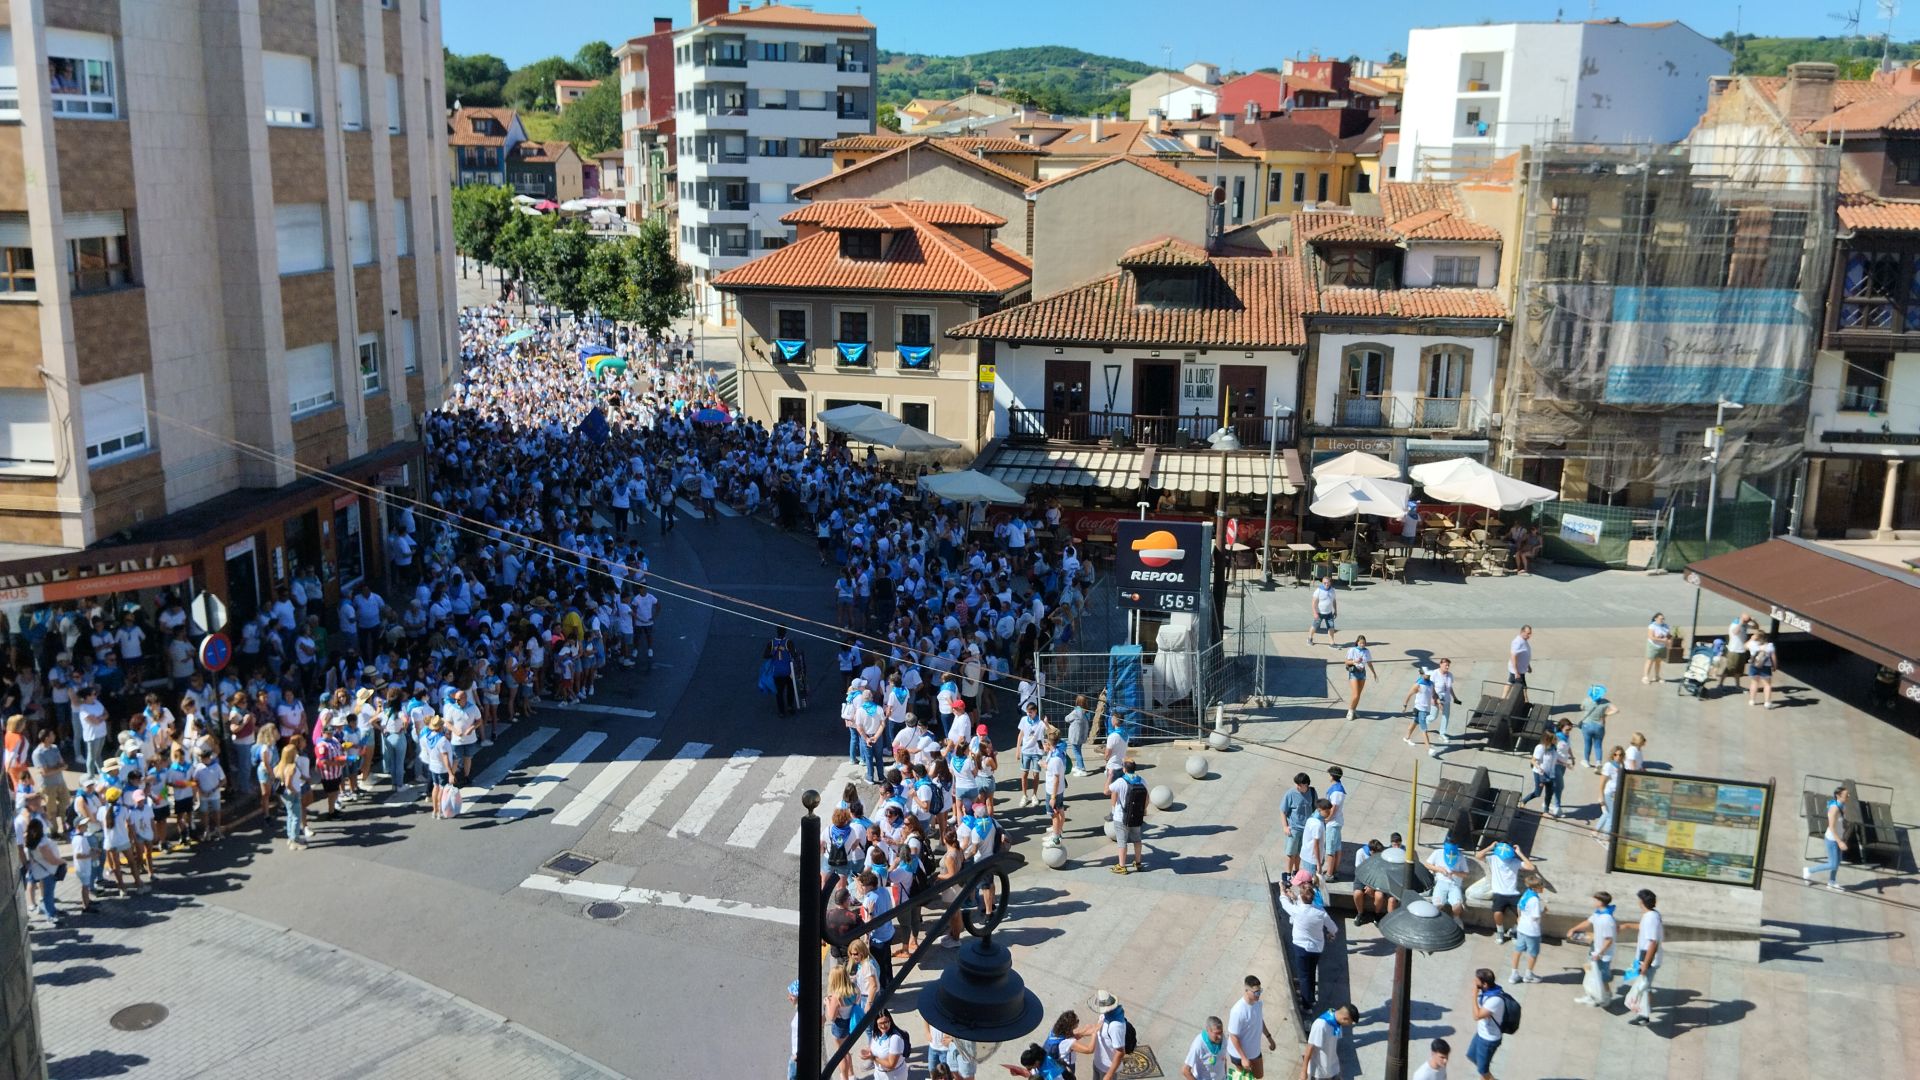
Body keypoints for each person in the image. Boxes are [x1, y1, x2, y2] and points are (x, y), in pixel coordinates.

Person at [1278, 876, 1339, 1014]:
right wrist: (1330, 934)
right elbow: (1334, 928)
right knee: (1311, 972)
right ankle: (1310, 997)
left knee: (1304, 976)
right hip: (1317, 948)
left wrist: (1282, 890)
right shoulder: (1320, 912)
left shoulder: (1297, 910)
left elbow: (1284, 903)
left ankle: (1307, 1005)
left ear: (1301, 896)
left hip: (1301, 947)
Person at [1475, 841, 1535, 944]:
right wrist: (1490, 846)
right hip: (1499, 893)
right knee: (1497, 913)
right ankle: (1500, 932)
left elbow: (1531, 867)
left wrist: (1519, 853)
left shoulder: (1515, 861)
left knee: (1524, 915)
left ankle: (1514, 931)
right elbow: (1478, 856)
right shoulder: (1493, 858)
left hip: (1513, 894)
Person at [1568, 892, 1619, 1006]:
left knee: (1602, 978)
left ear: (1600, 902)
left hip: (1603, 955)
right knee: (1591, 973)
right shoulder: (1598, 914)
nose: (1593, 902)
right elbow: (1587, 922)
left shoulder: (1606, 919)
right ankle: (1592, 995)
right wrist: (1573, 929)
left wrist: (1600, 953)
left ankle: (1606, 996)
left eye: (1595, 900)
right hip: (1596, 950)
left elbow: (1609, 940)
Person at [1621, 889, 1663, 1025]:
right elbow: (1644, 927)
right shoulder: (1652, 915)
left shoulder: (1651, 918)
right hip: (1645, 956)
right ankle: (1644, 1012)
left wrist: (1645, 964)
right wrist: (1627, 925)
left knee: (1644, 987)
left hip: (1647, 958)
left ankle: (1644, 1017)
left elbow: (1653, 942)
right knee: (1644, 986)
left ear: (1642, 902)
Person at [1225, 976, 1276, 1079]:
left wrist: (1269, 1037)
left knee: (1259, 1075)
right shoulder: (1238, 1011)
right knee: (1246, 1077)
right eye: (1256, 992)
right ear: (1246, 990)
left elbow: (1259, 1020)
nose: (1259, 994)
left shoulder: (1258, 1003)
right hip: (1238, 1054)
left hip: (1254, 1050)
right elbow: (1233, 1036)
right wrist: (1243, 1058)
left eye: (1260, 991)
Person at [1803, 785, 1850, 891]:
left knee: (1837, 862)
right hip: (1832, 840)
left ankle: (1832, 882)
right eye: (1846, 795)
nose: (1848, 796)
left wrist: (1845, 825)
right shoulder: (1834, 809)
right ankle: (1809, 870)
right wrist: (1840, 842)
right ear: (1838, 796)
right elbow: (1832, 828)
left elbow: (1841, 820)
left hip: (1839, 837)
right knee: (1833, 864)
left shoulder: (1843, 805)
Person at [1507, 872, 1547, 984]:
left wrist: (1519, 917)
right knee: (1533, 953)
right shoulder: (1535, 900)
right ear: (1535, 887)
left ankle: (1514, 975)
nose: (1543, 887)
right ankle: (1528, 975)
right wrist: (1544, 911)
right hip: (1532, 931)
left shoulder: (1527, 893)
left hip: (1521, 928)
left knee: (1517, 950)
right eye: (1541, 885)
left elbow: (1519, 906)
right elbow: (1535, 917)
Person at [1465, 969, 1505, 1080]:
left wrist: (1474, 996)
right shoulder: (1489, 991)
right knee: (1472, 1056)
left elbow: (1476, 1016)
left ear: (1485, 984)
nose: (1474, 982)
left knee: (1483, 1070)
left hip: (1488, 1040)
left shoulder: (1494, 1000)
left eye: (1476, 980)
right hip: (1481, 1034)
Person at [1109, 760, 1148, 874]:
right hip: (1136, 815)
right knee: (1137, 839)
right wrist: (1143, 810)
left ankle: (1122, 866)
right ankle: (1138, 862)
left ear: (1124, 769)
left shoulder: (1121, 781)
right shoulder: (1141, 780)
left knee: (1122, 841)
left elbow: (1107, 790)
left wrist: (1110, 776)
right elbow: (1147, 797)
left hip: (1121, 816)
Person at [1302, 1003, 1357, 1080]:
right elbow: (1309, 1049)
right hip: (1319, 1073)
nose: (1349, 1025)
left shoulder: (1337, 1021)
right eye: (1350, 1022)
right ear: (1345, 1018)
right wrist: (1303, 1073)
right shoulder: (1320, 1026)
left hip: (1332, 1068)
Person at [1087, 990, 1130, 1080]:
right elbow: (1097, 1028)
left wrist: (1109, 1075)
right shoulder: (1105, 1015)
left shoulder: (1115, 1026)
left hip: (1107, 1068)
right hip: (1098, 1062)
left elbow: (1120, 1052)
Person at [1425, 840, 1468, 925]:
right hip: (1441, 883)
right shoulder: (1438, 852)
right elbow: (1427, 864)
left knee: (1457, 906)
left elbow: (1465, 874)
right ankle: (1435, 922)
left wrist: (1455, 873)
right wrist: (1439, 869)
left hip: (1454, 885)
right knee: (1437, 905)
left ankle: (1456, 919)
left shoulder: (1460, 856)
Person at [1280, 772, 1316, 875]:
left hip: (1307, 829)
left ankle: (1296, 871)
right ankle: (1288, 874)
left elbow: (1315, 808)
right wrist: (1285, 826)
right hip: (1294, 829)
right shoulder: (1290, 793)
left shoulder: (1312, 792)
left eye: (1299, 785)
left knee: (1300, 853)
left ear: (1306, 785)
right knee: (1291, 853)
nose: (1297, 786)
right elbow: (1282, 810)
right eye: (1296, 784)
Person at [858, 1009, 909, 1080]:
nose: (883, 1026)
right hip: (879, 1074)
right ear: (876, 1024)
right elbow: (873, 1048)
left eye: (886, 1022)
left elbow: (891, 1065)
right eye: (880, 1023)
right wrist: (866, 1052)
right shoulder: (875, 1034)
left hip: (894, 1076)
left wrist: (873, 1058)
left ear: (890, 1021)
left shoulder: (895, 1039)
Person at [1403, 667, 1442, 755]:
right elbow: (1409, 694)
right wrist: (1405, 705)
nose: (1428, 676)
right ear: (1422, 674)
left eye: (1429, 675)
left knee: (1415, 722)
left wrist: (1439, 702)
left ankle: (1406, 738)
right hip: (1420, 709)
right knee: (1424, 729)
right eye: (1426, 674)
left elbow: (1434, 694)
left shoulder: (1431, 684)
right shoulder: (1418, 684)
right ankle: (1429, 748)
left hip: (1424, 709)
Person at [1180, 1015, 1228, 1080]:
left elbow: (1224, 1059)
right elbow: (1185, 1071)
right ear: (1208, 1030)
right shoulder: (1198, 1045)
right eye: (1216, 1033)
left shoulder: (1223, 1038)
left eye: (1221, 1032)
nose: (1220, 1036)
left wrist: (1225, 1076)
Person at [1577, 689, 1615, 770]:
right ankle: (1598, 762)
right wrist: (1605, 714)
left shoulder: (1586, 700)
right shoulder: (1605, 702)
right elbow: (1616, 710)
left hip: (1587, 726)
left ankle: (1586, 761)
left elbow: (1581, 708)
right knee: (1598, 745)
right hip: (1599, 726)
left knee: (1587, 744)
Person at [1595, 745, 1625, 843]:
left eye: (1620, 755)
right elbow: (1602, 782)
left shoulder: (1621, 765)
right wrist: (1600, 796)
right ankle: (1606, 836)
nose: (1618, 757)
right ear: (1612, 755)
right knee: (1612, 815)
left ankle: (1595, 831)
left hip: (1616, 793)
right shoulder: (1609, 765)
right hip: (1609, 793)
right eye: (1615, 754)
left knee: (1607, 813)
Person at [1342, 636, 1377, 721]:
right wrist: (1355, 661)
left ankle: (1354, 710)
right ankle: (1350, 711)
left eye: (1364, 643)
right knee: (1356, 694)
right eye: (1361, 643)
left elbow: (1369, 663)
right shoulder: (1352, 650)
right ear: (1357, 642)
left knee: (1358, 695)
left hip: (1362, 673)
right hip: (1354, 672)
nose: (1362, 645)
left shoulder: (1366, 651)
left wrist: (1374, 673)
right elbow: (1346, 662)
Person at [767, 627, 799, 716]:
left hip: (777, 671)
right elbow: (794, 655)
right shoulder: (788, 642)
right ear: (785, 632)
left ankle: (781, 711)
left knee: (779, 692)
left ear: (777, 632)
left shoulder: (771, 643)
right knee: (790, 688)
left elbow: (765, 655)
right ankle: (790, 706)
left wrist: (773, 655)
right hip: (788, 671)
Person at [1321, 766, 1347, 879]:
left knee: (1330, 850)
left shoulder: (1337, 791)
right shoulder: (1338, 788)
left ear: (1332, 776)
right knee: (1337, 848)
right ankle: (1334, 870)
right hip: (1337, 822)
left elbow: (1334, 807)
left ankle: (1329, 874)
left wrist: (1328, 819)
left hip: (1333, 823)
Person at [1718, 613, 1752, 693]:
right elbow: (1735, 632)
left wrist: (1753, 621)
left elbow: (1756, 627)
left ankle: (1737, 685)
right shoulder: (1735, 624)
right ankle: (1720, 684)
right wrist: (1741, 622)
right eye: (1746, 621)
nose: (1747, 622)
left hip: (1742, 650)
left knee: (1739, 670)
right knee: (1728, 668)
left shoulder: (1745, 625)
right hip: (1734, 651)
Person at [1746, 631, 1778, 709]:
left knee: (1754, 683)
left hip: (1754, 666)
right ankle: (1767, 702)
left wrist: (1751, 639)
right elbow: (1773, 657)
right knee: (1767, 685)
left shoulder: (1752, 644)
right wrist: (1775, 666)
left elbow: (1745, 646)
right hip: (1766, 666)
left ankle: (1752, 700)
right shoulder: (1769, 646)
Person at [1307, 574, 1338, 648]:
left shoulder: (1332, 590)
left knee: (1331, 627)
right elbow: (1313, 603)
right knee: (1315, 626)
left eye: (1328, 582)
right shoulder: (1318, 591)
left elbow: (1334, 601)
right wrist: (1315, 613)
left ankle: (1331, 642)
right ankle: (1309, 638)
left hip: (1329, 613)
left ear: (1330, 582)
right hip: (1319, 613)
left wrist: (1335, 610)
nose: (1326, 584)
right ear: (1322, 582)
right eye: (1325, 583)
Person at [1641, 612, 1673, 683]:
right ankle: (1645, 677)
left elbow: (1668, 635)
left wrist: (1669, 640)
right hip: (1653, 646)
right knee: (1650, 661)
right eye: (1660, 618)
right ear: (1655, 618)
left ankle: (1657, 677)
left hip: (1662, 646)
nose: (1662, 620)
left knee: (1658, 662)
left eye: (1663, 619)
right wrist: (1662, 640)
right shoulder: (1652, 626)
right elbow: (1651, 637)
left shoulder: (1665, 626)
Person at [1507, 626, 1533, 699]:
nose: (1529, 635)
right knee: (1523, 688)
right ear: (1522, 632)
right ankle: (1526, 704)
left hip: (1520, 669)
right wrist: (1516, 671)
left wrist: (1528, 666)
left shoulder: (1523, 641)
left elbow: (1524, 655)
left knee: (1510, 682)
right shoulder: (1518, 642)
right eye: (1528, 633)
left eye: (1530, 634)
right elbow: (1513, 656)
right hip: (1518, 670)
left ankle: (1502, 699)